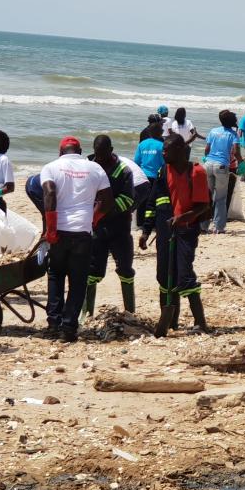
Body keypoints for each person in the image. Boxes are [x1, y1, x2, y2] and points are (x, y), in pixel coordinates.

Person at [41, 136, 113, 341]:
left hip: (59, 231)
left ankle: (54, 324)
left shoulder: (50, 167)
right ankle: (68, 328)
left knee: (55, 274)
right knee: (77, 280)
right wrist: (93, 219)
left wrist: (51, 229)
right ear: (80, 151)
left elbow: (49, 195)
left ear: (60, 151)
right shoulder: (95, 168)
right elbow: (108, 201)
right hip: (82, 231)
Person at [139, 135, 210, 333]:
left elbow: (204, 205)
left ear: (179, 149)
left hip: (186, 230)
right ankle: (170, 320)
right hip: (165, 230)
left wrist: (183, 217)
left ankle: (200, 323)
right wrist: (146, 231)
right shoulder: (164, 171)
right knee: (164, 274)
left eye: (167, 150)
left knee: (184, 274)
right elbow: (153, 202)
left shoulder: (196, 172)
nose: (163, 153)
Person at [85, 135, 137, 315]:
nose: (99, 158)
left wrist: (106, 210)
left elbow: (128, 199)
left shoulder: (123, 170)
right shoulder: (88, 166)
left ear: (111, 150)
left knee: (125, 269)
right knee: (92, 271)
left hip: (119, 227)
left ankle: (130, 312)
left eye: (103, 154)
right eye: (97, 154)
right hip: (96, 228)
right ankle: (87, 313)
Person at [203, 110, 243, 234]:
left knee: (207, 196)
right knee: (220, 197)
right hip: (221, 166)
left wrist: (206, 158)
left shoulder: (213, 131)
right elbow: (236, 151)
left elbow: (207, 149)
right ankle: (219, 227)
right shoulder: (233, 134)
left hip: (208, 164)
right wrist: (242, 162)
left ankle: (203, 226)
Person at [134, 118, 165, 230]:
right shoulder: (161, 145)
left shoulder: (142, 144)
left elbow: (136, 161)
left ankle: (140, 223)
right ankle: (152, 223)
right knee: (154, 202)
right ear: (160, 132)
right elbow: (164, 163)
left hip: (143, 176)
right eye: (162, 130)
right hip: (156, 176)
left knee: (142, 201)